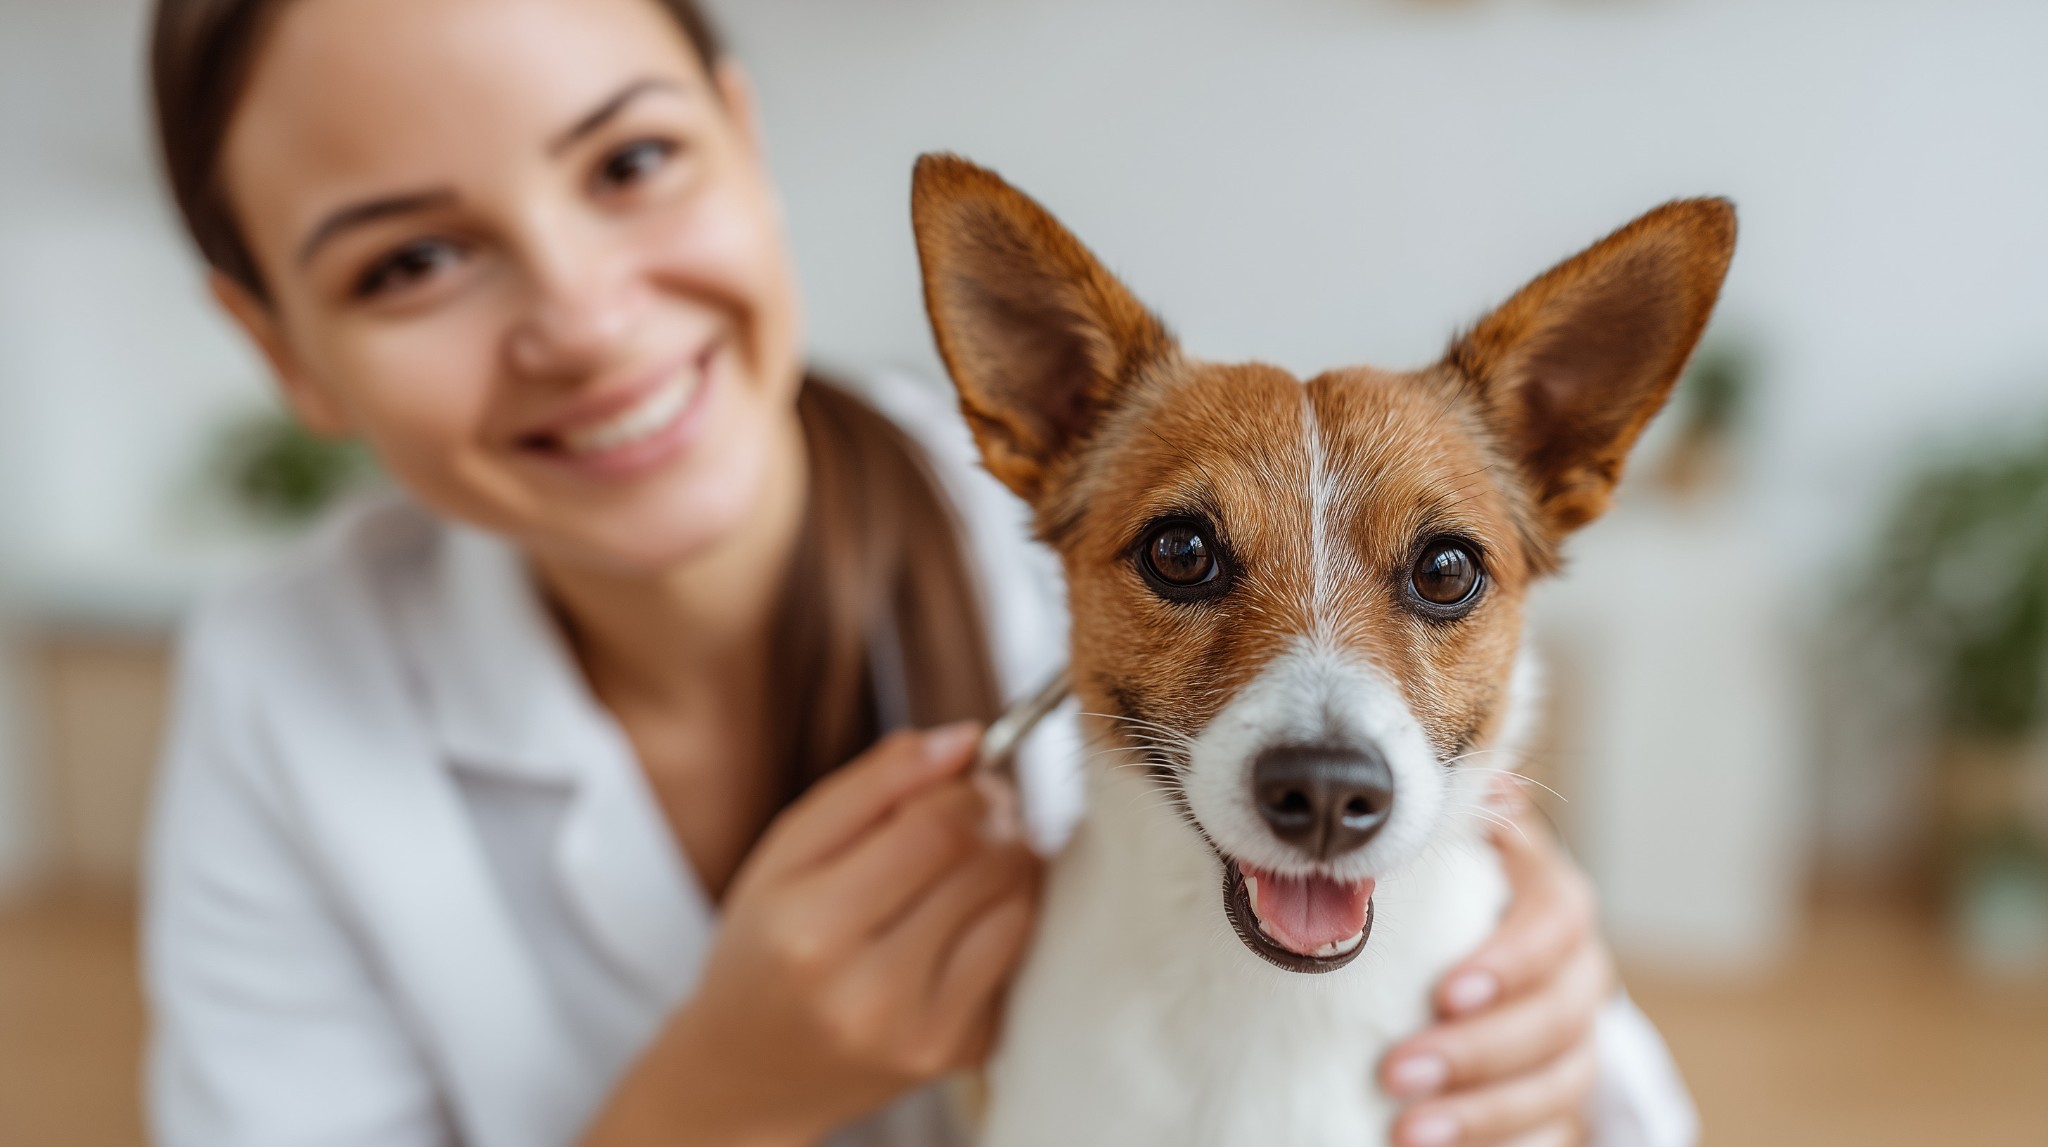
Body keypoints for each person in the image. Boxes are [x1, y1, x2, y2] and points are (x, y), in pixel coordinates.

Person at [142, 1, 1698, 1145]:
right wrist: (715, 1102)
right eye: (407, 260)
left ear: (740, 140)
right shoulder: (278, 698)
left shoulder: (1044, 524)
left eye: (626, 161)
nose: (583, 317)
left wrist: (1560, 1013)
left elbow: (1615, 1103)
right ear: (277, 342)